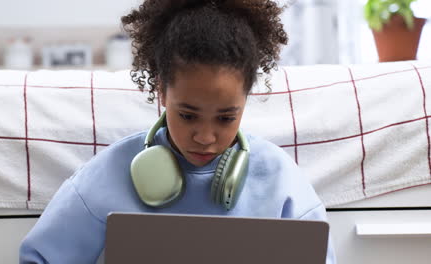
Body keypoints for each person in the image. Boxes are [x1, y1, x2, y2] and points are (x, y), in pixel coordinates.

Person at [19, 0, 336, 263]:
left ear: (246, 99)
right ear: (161, 91)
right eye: (187, 115)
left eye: (226, 118)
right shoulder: (107, 176)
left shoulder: (281, 180)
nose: (205, 137)